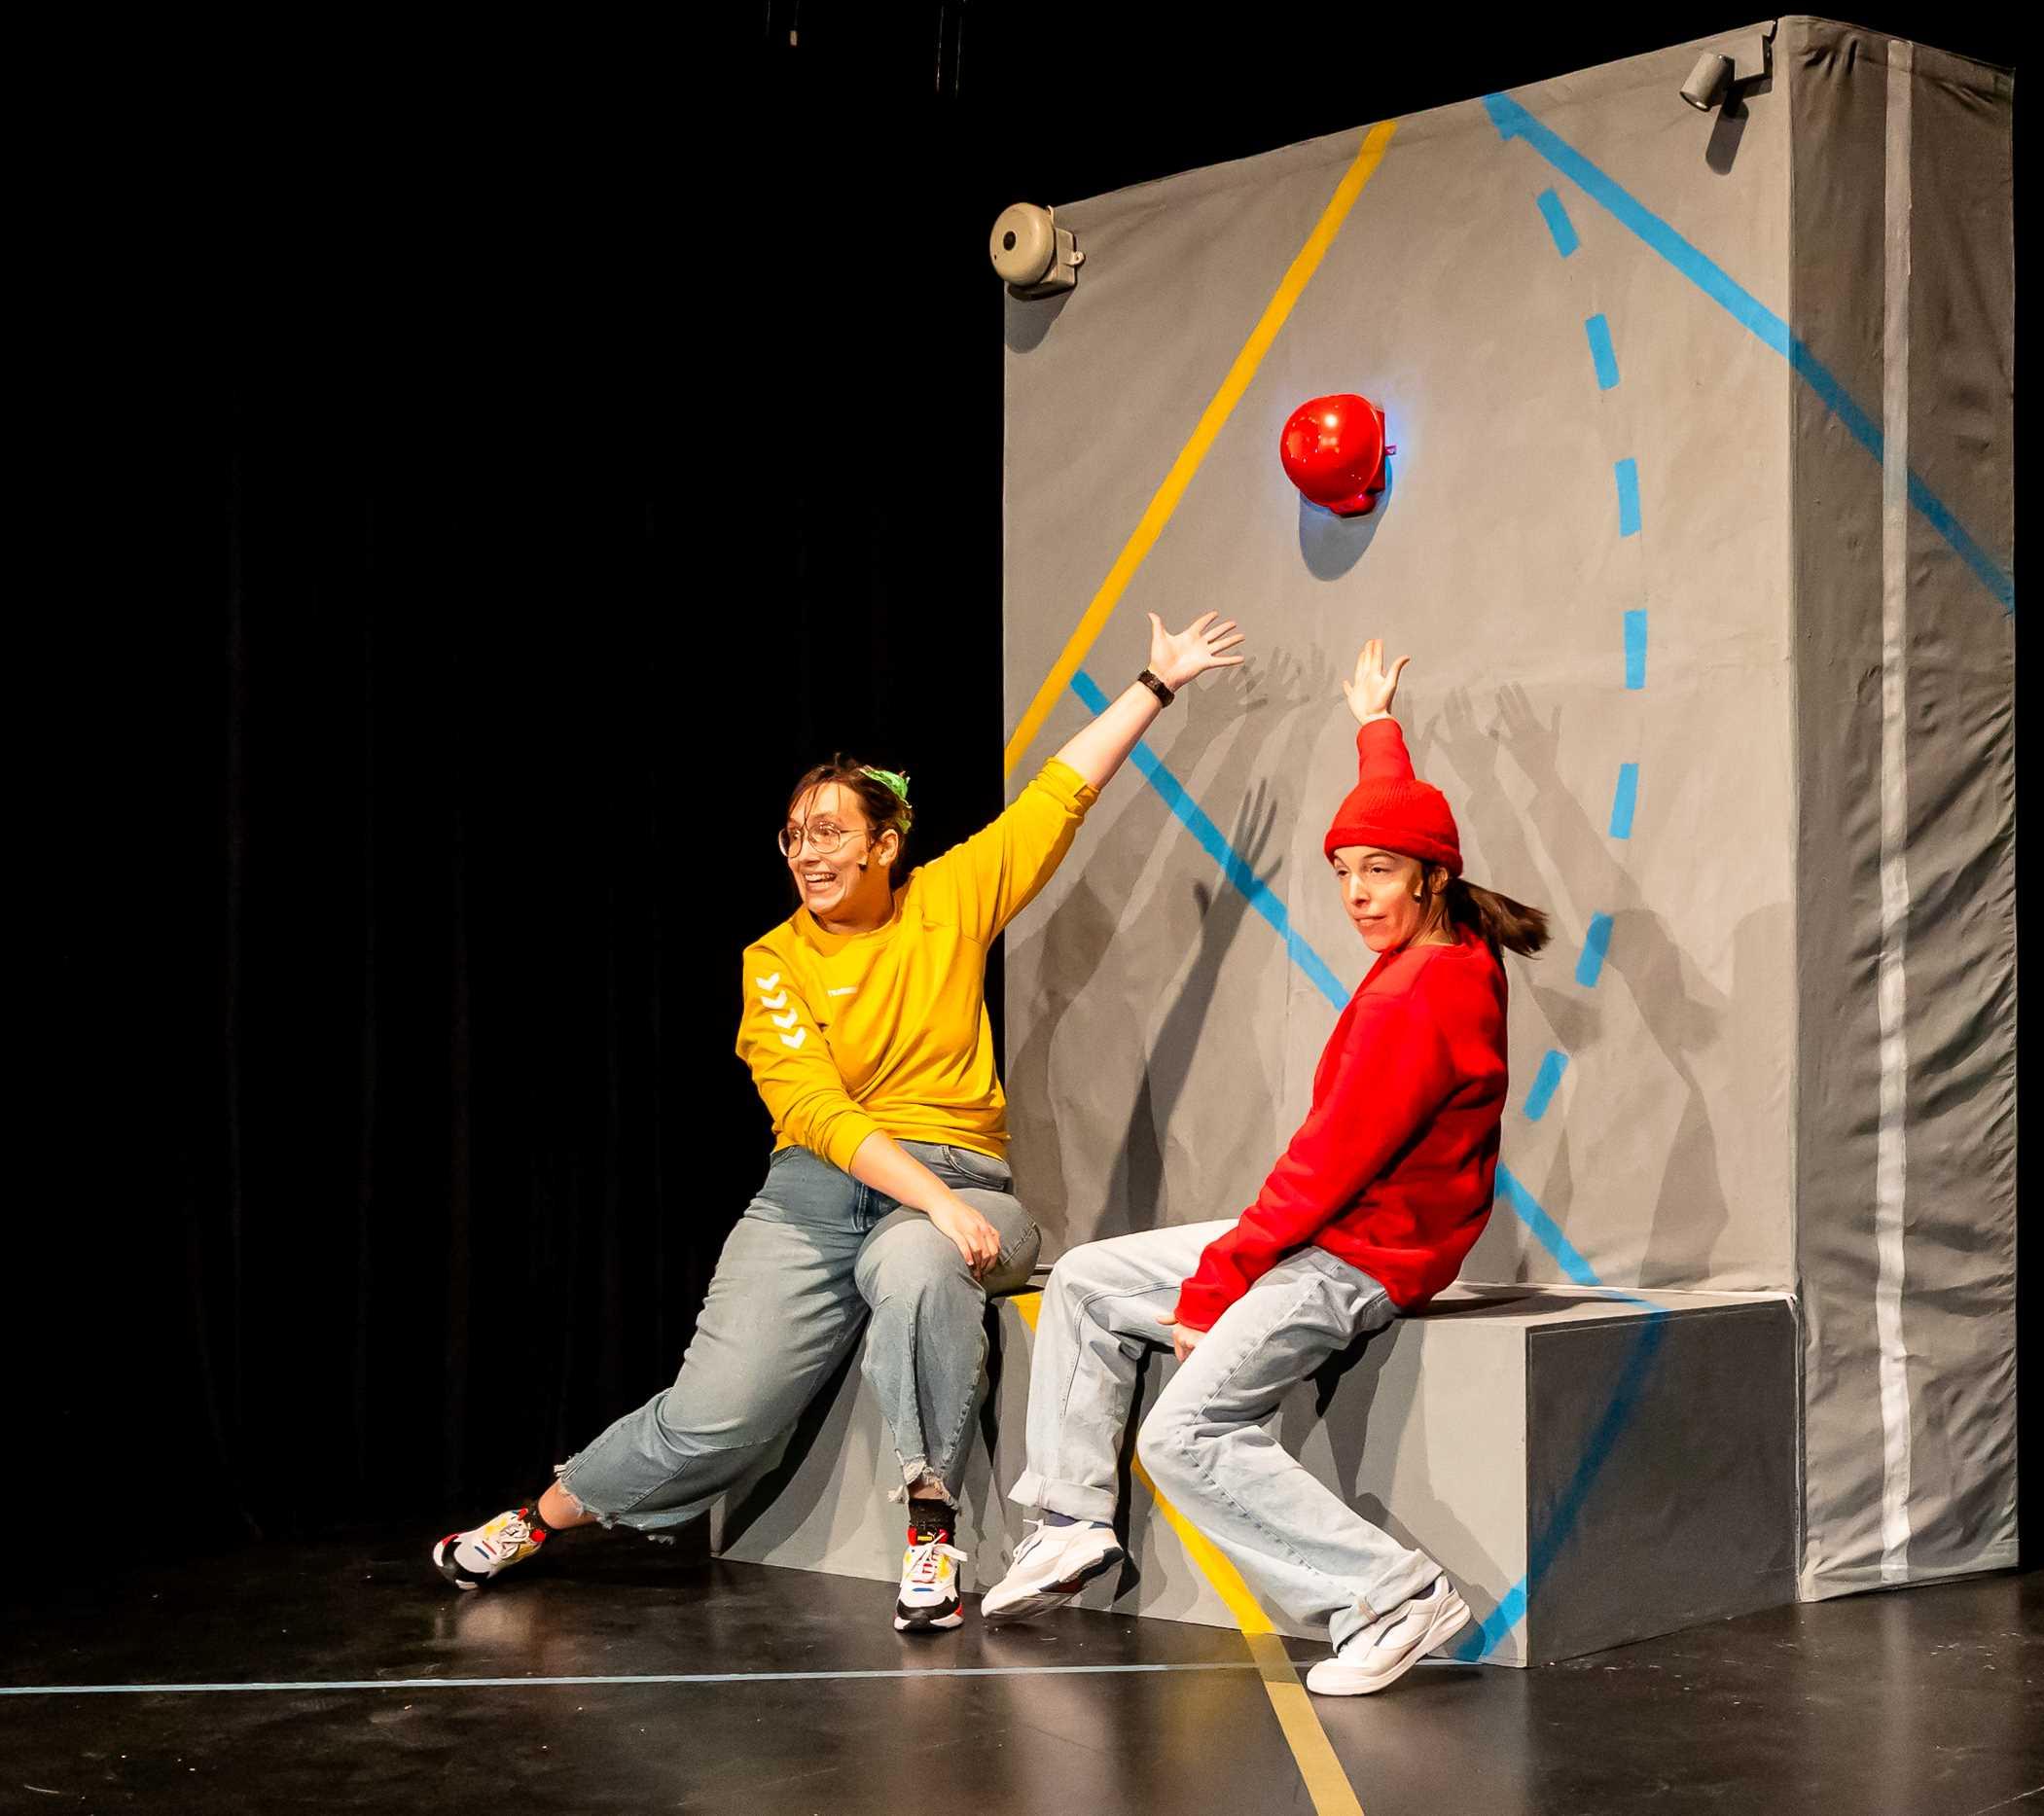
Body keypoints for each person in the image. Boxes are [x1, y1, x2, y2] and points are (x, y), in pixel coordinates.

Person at [433, 610, 1247, 1632]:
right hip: (815, 1199)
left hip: (963, 1182)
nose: (806, 853)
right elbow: (814, 1110)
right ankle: (538, 1516)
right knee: (715, 1414)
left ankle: (930, 1528)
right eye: (794, 835)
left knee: (916, 1265)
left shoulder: (947, 899)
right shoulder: (773, 963)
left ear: (884, 844)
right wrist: (932, 1200)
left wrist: (1155, 683)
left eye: (828, 833)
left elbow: (1059, 795)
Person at [983, 637, 1550, 1697]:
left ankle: (1392, 1596)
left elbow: (1322, 1171)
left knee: (1186, 1434)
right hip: (1337, 1232)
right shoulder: (1450, 935)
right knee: (1089, 1280)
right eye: (1343, 871)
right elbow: (1400, 818)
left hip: (1359, 1256)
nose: (1356, 893)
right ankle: (1068, 1518)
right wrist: (1376, 728)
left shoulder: (1416, 1002)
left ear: (1433, 876)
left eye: (1378, 873)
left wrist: (1219, 1281)